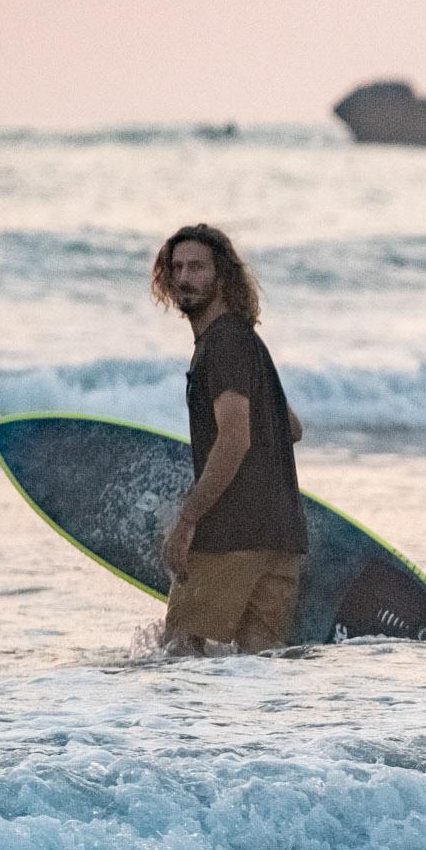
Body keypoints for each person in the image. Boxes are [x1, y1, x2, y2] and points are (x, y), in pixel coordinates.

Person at [150, 224, 307, 655]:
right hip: (283, 537)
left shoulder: (222, 345)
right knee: (257, 671)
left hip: (229, 537)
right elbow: (290, 428)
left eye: (197, 267)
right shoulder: (247, 342)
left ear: (222, 276)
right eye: (177, 267)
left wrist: (187, 521)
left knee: (180, 657)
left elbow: (234, 439)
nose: (184, 278)